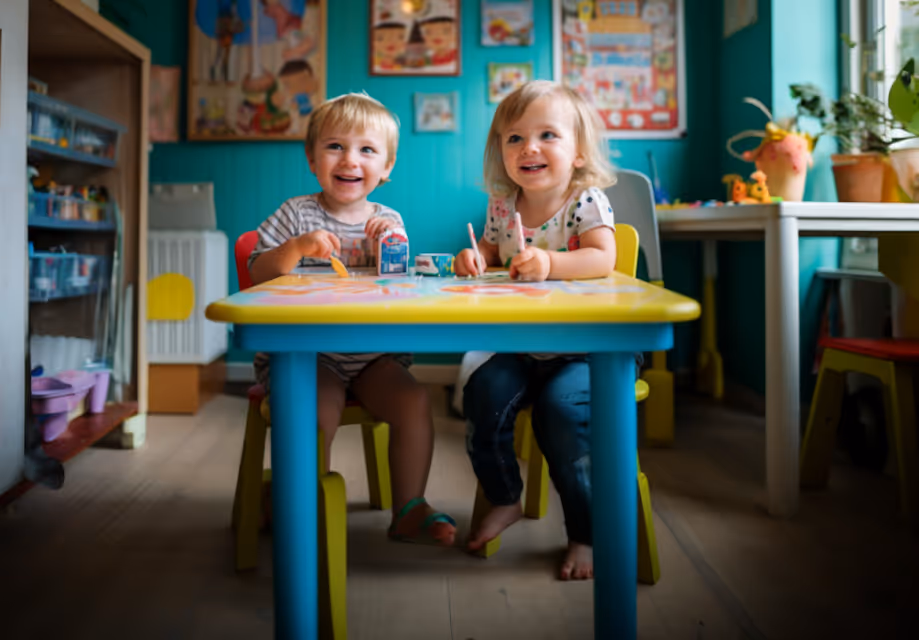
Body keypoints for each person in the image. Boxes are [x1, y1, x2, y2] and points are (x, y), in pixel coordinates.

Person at [249, 92, 455, 546]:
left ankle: (409, 508)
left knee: (415, 404)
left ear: (386, 167)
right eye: (335, 146)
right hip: (305, 354)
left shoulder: (388, 219)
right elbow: (256, 273)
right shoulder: (296, 213)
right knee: (315, 410)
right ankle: (296, 499)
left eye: (366, 149)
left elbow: (399, 291)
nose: (349, 159)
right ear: (312, 158)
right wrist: (297, 248)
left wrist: (392, 248)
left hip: (373, 356)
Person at [455, 80, 618, 579]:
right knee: (481, 390)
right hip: (526, 345)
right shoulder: (503, 206)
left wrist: (549, 260)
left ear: (579, 151)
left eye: (548, 134)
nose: (530, 148)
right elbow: (490, 250)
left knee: (561, 413)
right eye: (515, 138)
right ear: (500, 152)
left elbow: (601, 258)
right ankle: (505, 496)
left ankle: (586, 534)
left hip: (587, 349)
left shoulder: (584, 199)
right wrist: (474, 257)